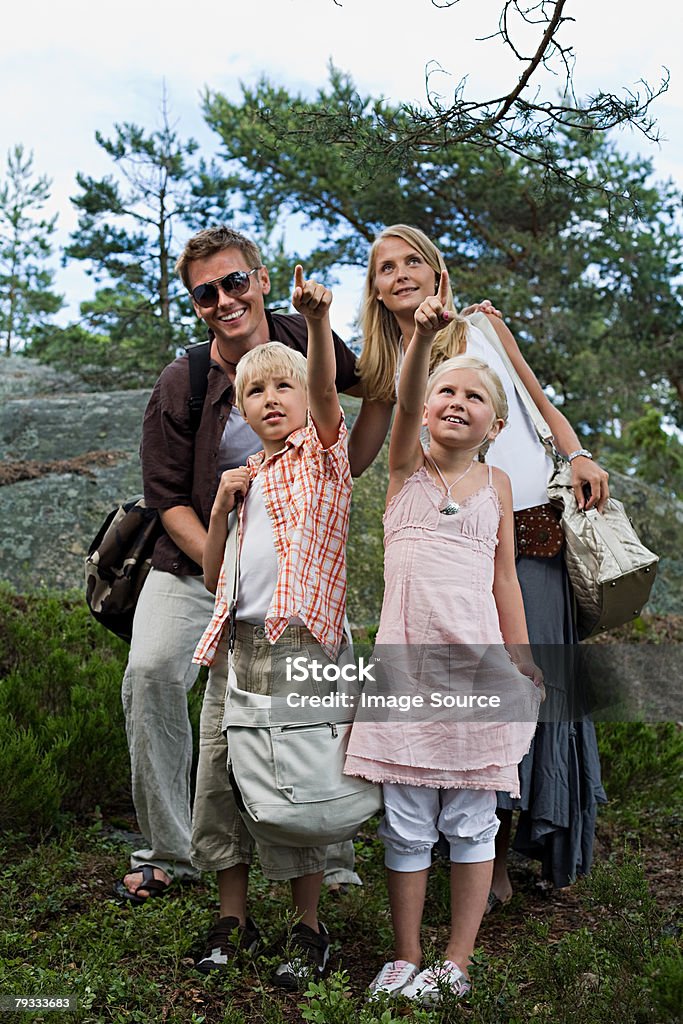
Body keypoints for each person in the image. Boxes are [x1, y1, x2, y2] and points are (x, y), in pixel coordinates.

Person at [350, 224, 608, 908]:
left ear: (436, 272)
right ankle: (477, 855)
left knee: (529, 679)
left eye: (412, 261)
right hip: (455, 546)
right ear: (374, 290)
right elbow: (359, 459)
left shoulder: (479, 327)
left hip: (531, 528)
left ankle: (528, 843)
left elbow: (534, 399)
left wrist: (576, 452)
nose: (400, 273)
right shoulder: (389, 371)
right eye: (384, 267)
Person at [115, 228, 361, 912]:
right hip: (198, 559)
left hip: (291, 569)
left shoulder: (305, 341)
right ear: (193, 302)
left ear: (258, 277)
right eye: (205, 292)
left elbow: (369, 395)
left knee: (317, 687)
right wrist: (219, 566)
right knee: (151, 674)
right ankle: (172, 849)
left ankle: (328, 847)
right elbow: (165, 499)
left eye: (234, 282)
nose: (223, 299)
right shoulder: (183, 379)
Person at [344, 278, 544, 1004]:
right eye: (444, 393)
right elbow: (397, 403)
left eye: (474, 398)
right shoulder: (404, 473)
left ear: (494, 424)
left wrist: (522, 658)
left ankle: (455, 959)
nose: (456, 403)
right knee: (404, 822)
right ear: (425, 409)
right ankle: (403, 956)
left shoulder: (496, 487)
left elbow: (505, 582)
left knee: (468, 818)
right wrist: (425, 338)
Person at [192, 266, 353, 989]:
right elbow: (211, 578)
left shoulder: (321, 458)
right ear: (242, 411)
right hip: (235, 643)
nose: (269, 399)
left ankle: (307, 924)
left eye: (280, 386)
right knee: (220, 776)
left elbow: (324, 392)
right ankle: (233, 916)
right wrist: (224, 505)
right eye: (254, 392)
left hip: (298, 645)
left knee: (295, 783)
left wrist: (316, 324)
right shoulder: (248, 475)